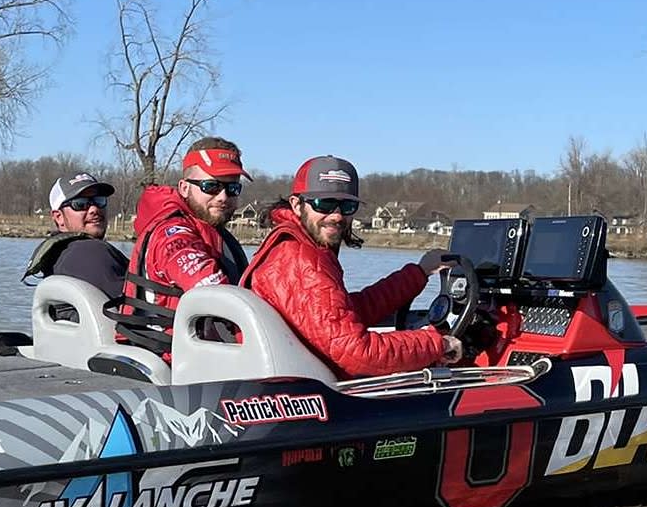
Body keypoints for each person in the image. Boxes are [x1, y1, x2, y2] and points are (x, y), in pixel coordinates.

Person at [241, 155, 464, 378]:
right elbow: (358, 354)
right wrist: (438, 344)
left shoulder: (301, 248)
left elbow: (345, 314)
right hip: (296, 391)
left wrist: (419, 273)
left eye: (347, 206)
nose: (336, 215)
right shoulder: (303, 261)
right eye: (324, 203)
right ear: (297, 205)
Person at [121, 137, 251, 351]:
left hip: (206, 353)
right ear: (183, 187)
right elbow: (216, 294)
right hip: (176, 360)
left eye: (233, 188)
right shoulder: (172, 234)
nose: (223, 197)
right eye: (211, 186)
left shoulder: (213, 231)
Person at [24, 172, 128, 301]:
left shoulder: (58, 256)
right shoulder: (91, 251)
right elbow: (138, 310)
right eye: (80, 203)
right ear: (59, 217)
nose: (94, 209)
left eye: (99, 200)